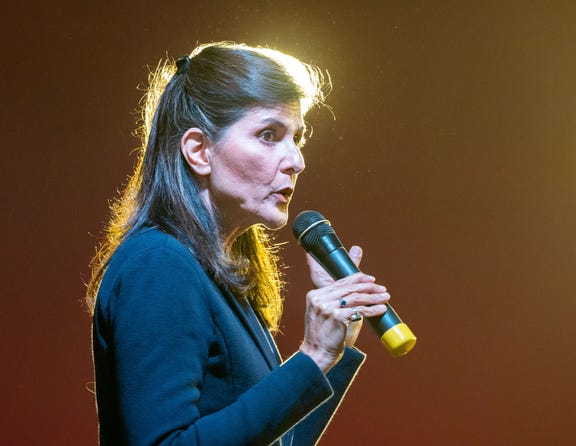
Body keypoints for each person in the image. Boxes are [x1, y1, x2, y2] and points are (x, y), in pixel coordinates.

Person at [86, 41, 391, 445]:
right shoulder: (158, 264)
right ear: (199, 151)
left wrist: (328, 358)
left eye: (297, 139)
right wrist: (311, 355)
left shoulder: (218, 275)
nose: (296, 161)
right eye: (269, 135)